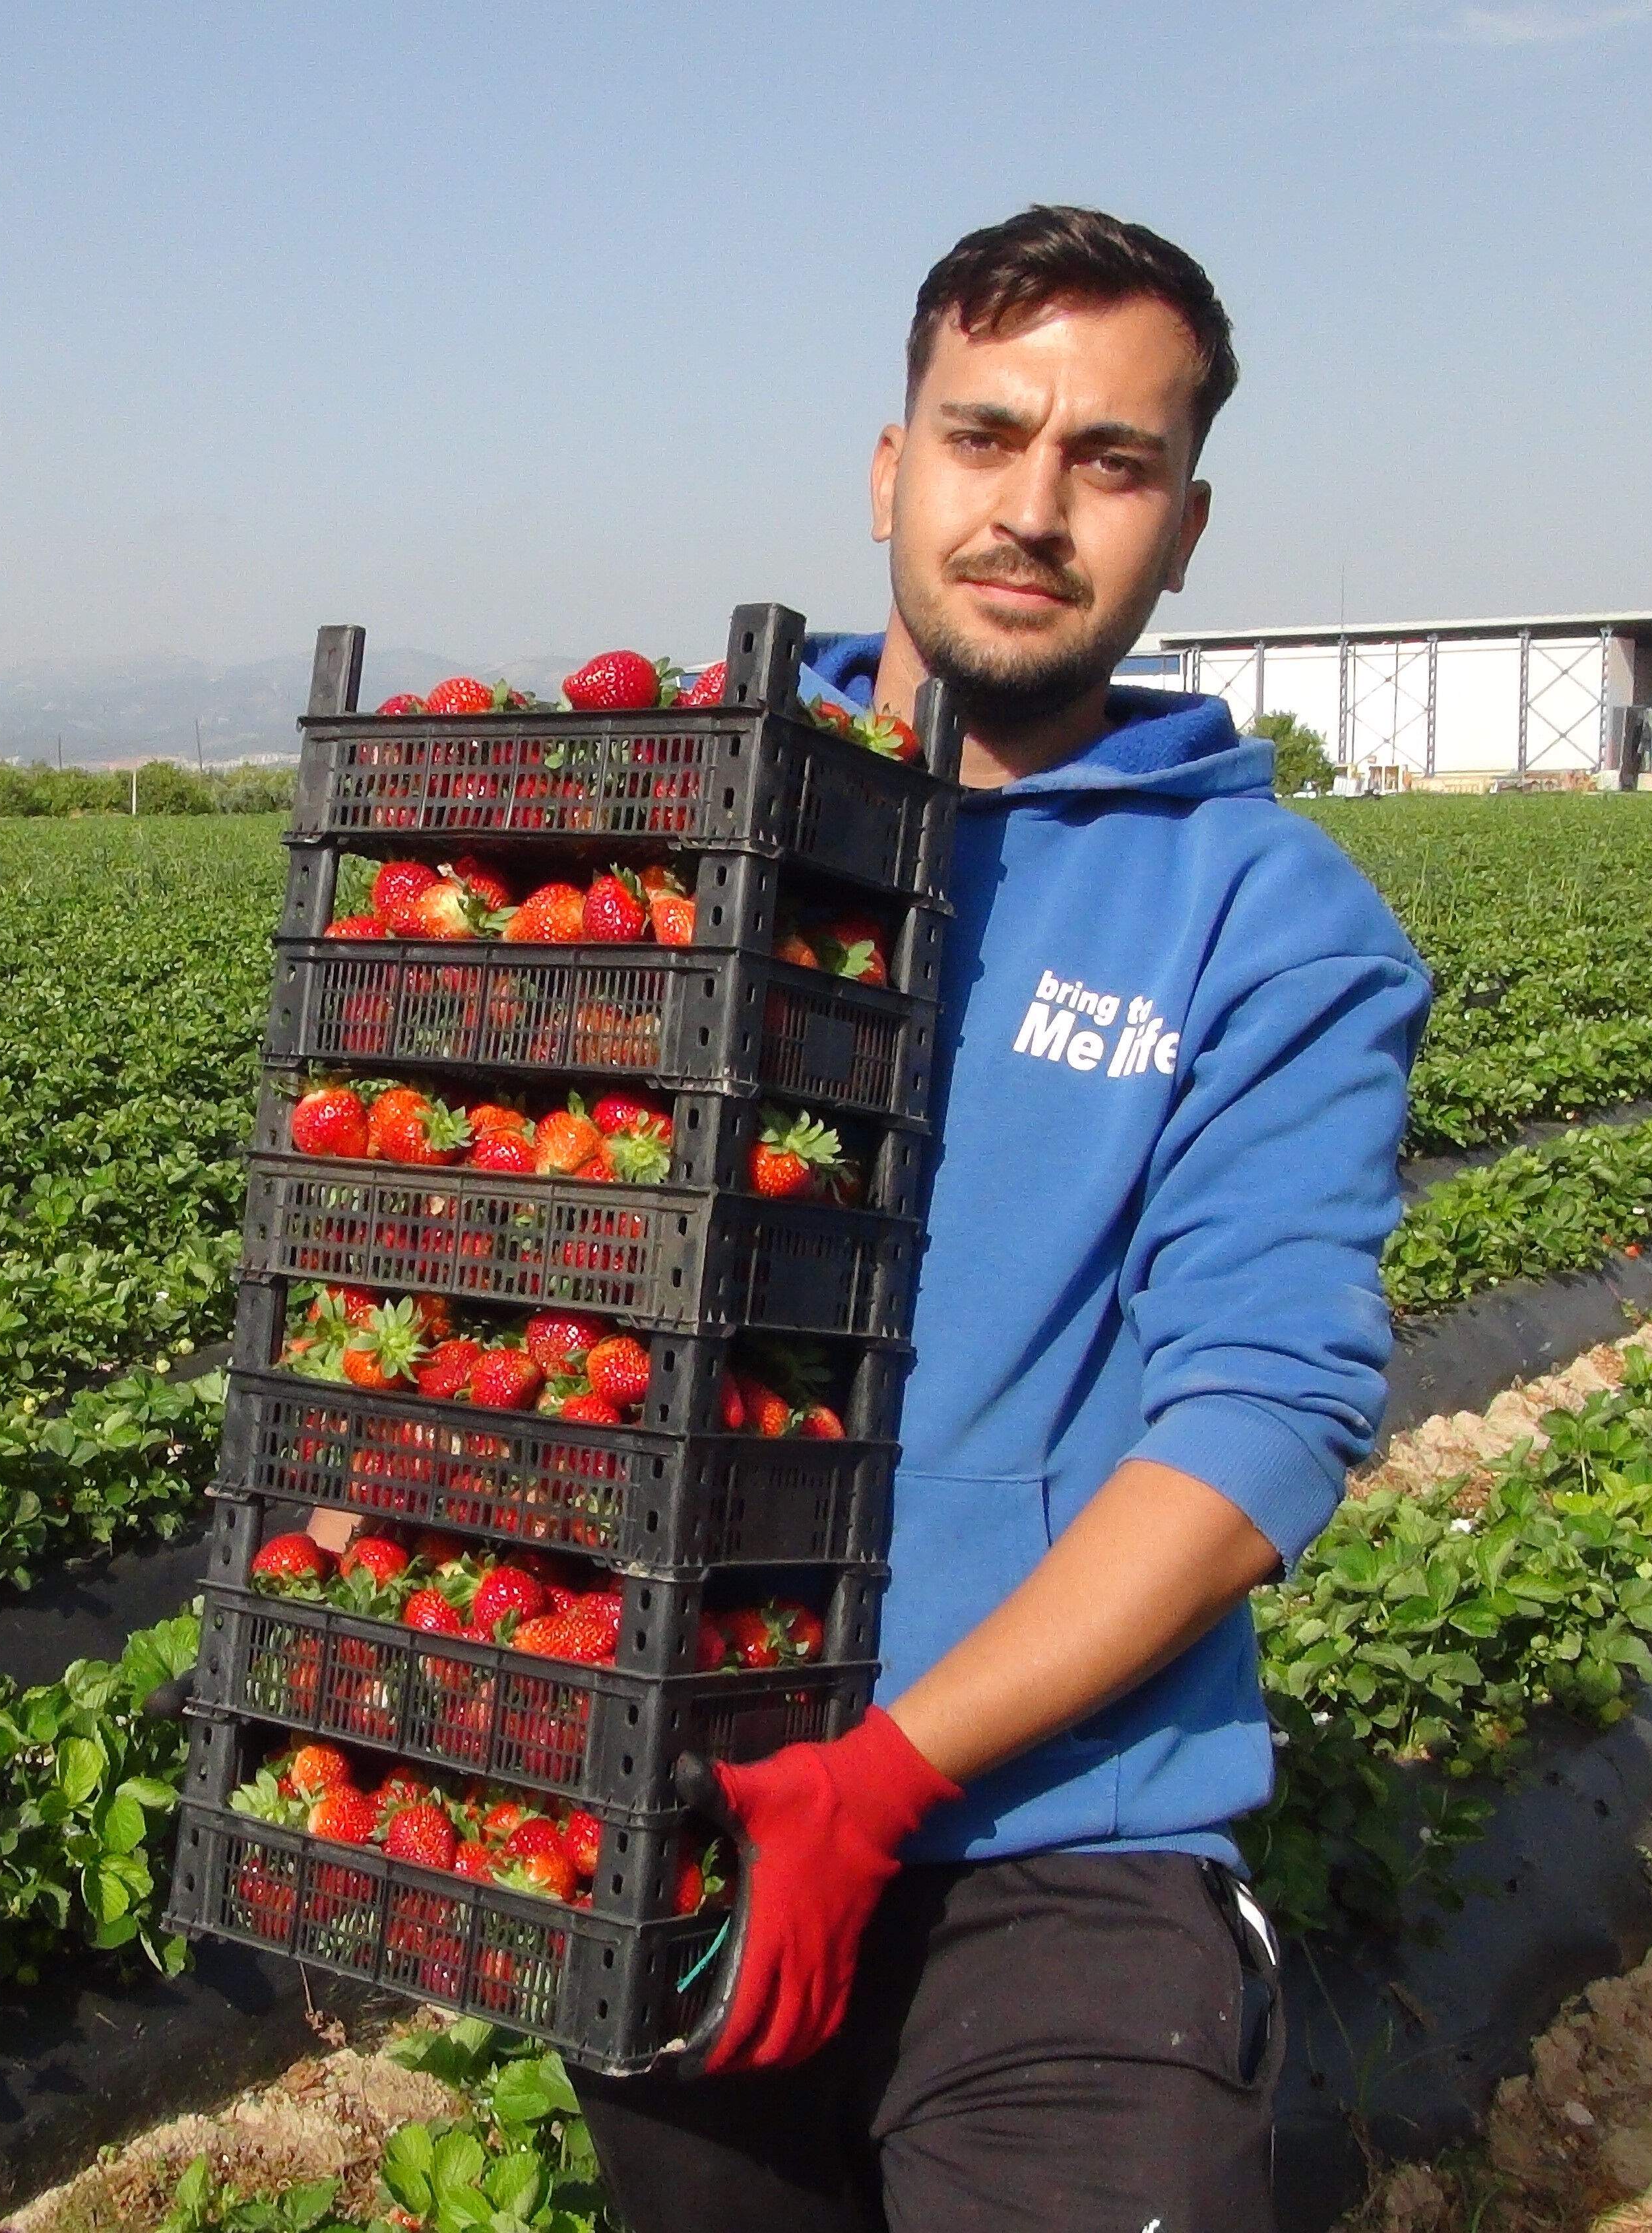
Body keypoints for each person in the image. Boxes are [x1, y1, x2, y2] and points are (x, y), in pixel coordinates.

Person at [569, 207, 1430, 2233]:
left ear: (1186, 523)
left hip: (1069, 1857)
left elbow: (1259, 1422)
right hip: (689, 1803)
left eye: (1109, 463)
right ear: (894, 468)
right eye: (986, 436)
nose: (1034, 508)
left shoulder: (1269, 922)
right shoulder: (699, 824)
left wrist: (884, 1779)